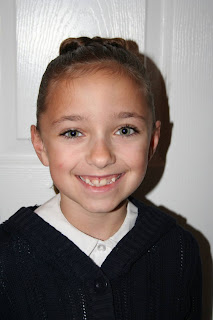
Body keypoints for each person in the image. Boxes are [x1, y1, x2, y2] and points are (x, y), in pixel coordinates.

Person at [0, 37, 202, 319]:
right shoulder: (6, 258)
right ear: (41, 145)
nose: (100, 157)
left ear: (153, 142)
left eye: (125, 130)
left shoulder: (179, 249)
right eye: (73, 132)